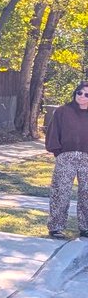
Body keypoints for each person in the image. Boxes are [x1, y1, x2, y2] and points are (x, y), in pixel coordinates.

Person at [46, 81, 88, 239]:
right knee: (60, 191)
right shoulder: (62, 111)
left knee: (86, 193)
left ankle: (86, 227)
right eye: (79, 93)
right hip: (66, 156)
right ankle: (56, 226)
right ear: (75, 93)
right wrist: (58, 151)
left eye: (86, 94)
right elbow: (53, 132)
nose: (82, 97)